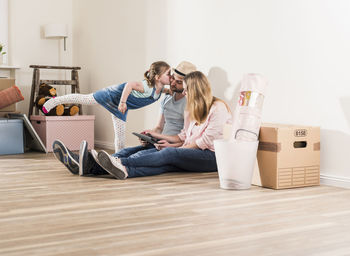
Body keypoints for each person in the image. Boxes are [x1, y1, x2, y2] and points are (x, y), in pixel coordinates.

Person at [52, 61, 197, 176]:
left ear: (187, 84)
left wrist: (164, 141)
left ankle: (87, 164)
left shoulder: (190, 103)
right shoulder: (166, 99)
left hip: (170, 145)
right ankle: (85, 163)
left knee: (138, 155)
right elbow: (159, 127)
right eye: (172, 78)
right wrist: (149, 136)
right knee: (127, 151)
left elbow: (186, 137)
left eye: (178, 82)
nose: (172, 83)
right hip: (159, 141)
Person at [96, 71, 232, 179]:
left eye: (186, 90)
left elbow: (203, 142)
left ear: (196, 90)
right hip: (194, 151)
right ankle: (126, 171)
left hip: (212, 157)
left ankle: (119, 163)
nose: (184, 93)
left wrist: (174, 149)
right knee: (166, 163)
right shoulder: (192, 109)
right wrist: (156, 136)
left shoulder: (218, 108)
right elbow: (184, 136)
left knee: (168, 154)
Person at [44, 61, 171, 152]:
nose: (171, 76)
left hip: (121, 107)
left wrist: (170, 91)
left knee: (120, 133)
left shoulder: (159, 90)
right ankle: (53, 102)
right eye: (168, 74)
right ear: (158, 77)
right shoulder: (146, 87)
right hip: (113, 96)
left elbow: (159, 92)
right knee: (85, 99)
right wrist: (122, 102)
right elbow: (129, 84)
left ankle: (118, 156)